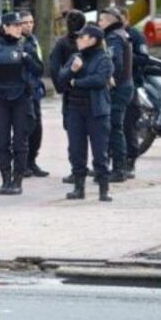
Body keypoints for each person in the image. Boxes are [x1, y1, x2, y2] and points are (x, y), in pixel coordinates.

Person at [0, 12, 43, 196]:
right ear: (5, 27)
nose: (19, 28)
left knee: (20, 141)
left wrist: (27, 58)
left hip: (21, 97)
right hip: (0, 98)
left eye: (20, 25)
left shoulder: (26, 44)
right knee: (3, 141)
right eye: (15, 25)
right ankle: (5, 179)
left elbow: (39, 69)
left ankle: (18, 180)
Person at [56, 24, 114, 202]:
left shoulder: (104, 59)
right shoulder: (75, 57)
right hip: (75, 110)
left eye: (82, 37)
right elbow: (60, 81)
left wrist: (75, 82)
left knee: (100, 151)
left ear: (93, 40)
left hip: (96, 112)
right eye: (78, 37)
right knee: (76, 150)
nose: (78, 40)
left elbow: (99, 80)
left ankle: (103, 189)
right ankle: (78, 188)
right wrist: (72, 71)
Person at [49, 9, 88, 185]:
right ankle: (86, 167)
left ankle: (77, 169)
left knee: (74, 135)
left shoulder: (62, 44)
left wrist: (60, 87)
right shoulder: (90, 42)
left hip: (71, 94)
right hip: (89, 92)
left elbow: (54, 67)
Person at [97, 6, 133, 183]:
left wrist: (109, 81)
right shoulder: (121, 33)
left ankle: (118, 169)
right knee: (114, 127)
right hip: (125, 86)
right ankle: (117, 166)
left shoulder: (113, 37)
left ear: (110, 22)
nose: (99, 23)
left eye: (102, 20)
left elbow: (115, 64)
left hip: (118, 88)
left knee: (113, 128)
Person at [19, 9, 49, 178]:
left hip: (35, 90)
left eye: (31, 22)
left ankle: (31, 161)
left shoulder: (33, 40)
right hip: (23, 91)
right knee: (25, 128)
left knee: (37, 128)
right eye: (25, 22)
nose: (29, 25)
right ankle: (22, 163)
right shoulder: (19, 42)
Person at [122, 8, 149, 175]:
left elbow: (144, 58)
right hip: (111, 88)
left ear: (126, 19)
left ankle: (130, 162)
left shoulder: (135, 36)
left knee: (129, 124)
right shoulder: (107, 36)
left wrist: (126, 56)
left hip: (131, 85)